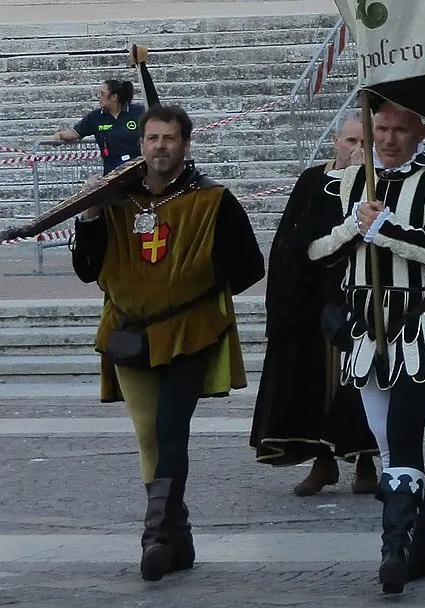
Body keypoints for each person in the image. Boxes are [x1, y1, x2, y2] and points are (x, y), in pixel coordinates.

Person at [302, 90, 425, 594]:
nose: (387, 139)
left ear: (421, 133)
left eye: (399, 130)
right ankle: (418, 544)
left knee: (402, 436)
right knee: (387, 443)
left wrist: (386, 229)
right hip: (363, 327)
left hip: (418, 324)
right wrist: (350, 231)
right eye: (380, 130)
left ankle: (393, 549)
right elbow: (312, 252)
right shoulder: (347, 184)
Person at [71, 103, 263, 581]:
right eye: (152, 139)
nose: (160, 147)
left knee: (172, 427)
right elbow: (86, 270)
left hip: (187, 331)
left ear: (186, 144)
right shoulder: (117, 199)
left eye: (170, 139)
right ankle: (178, 535)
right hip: (128, 331)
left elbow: (249, 266)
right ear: (141, 145)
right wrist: (90, 215)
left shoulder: (212, 199)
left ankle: (154, 536)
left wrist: (195, 289)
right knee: (148, 435)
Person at [251, 115, 378, 498]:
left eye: (363, 143)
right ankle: (322, 462)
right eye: (350, 140)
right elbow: (292, 237)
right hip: (309, 300)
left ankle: (367, 460)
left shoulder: (377, 184)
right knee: (310, 385)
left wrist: (359, 184)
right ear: (336, 141)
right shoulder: (312, 180)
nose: (355, 149)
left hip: (358, 298)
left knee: (357, 383)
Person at [51, 76, 145, 174]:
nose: (99, 97)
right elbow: (75, 133)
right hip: (112, 172)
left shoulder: (138, 112)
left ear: (114, 97)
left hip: (137, 169)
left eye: (102, 94)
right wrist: (60, 134)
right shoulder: (96, 117)